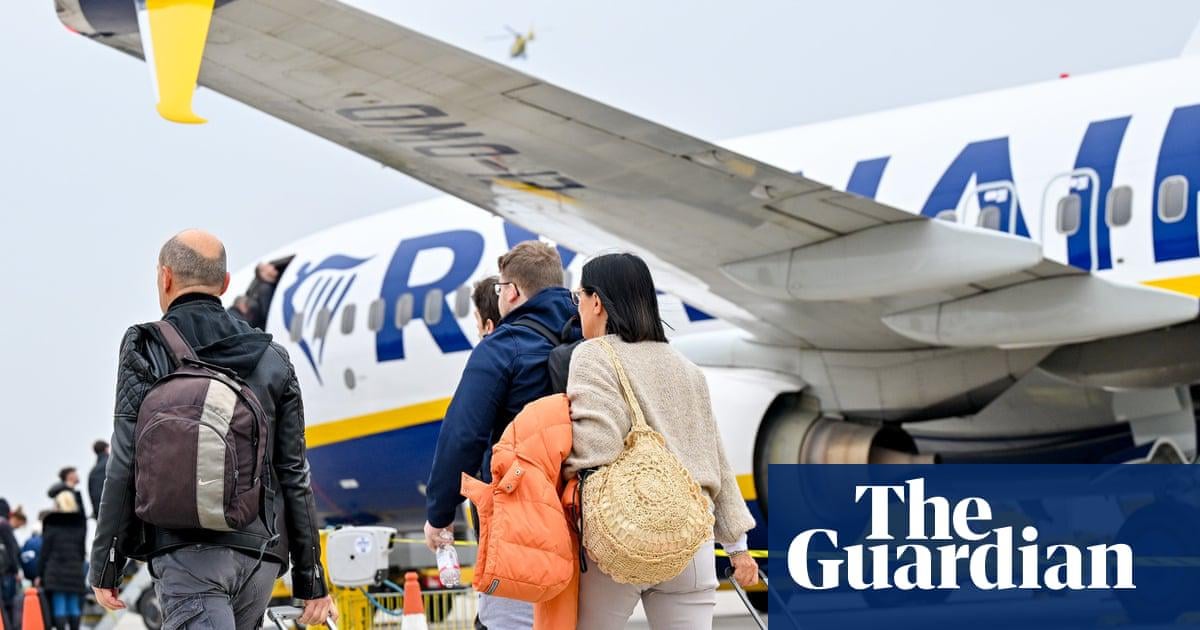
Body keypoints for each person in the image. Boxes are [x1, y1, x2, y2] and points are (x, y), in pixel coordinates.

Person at [90, 229, 337, 629]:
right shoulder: (273, 358)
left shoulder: (146, 347)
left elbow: (125, 459)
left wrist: (107, 562)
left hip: (187, 553)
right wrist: (311, 578)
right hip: (259, 556)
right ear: (224, 283)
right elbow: (294, 473)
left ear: (165, 278)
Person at [564, 253, 759, 630]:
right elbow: (716, 460)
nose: (579, 307)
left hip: (624, 536)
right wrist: (737, 547)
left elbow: (598, 448)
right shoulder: (687, 367)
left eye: (579, 297)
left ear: (597, 301)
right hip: (690, 540)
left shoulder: (594, 355)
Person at [424, 241, 578, 629]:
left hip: (521, 525)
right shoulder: (586, 342)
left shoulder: (502, 347)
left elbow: (463, 435)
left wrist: (440, 514)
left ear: (511, 292)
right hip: (583, 518)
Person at [40, 492, 87, 630]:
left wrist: (39, 574)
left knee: (59, 607)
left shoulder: (51, 523)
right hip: (75, 570)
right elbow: (82, 550)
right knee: (74, 607)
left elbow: (44, 553)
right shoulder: (80, 523)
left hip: (56, 572)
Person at [0, 499, 21, 630]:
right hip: (6, 572)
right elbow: (13, 549)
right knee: (8, 605)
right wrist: (16, 569)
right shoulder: (4, 525)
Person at [88, 441, 109, 519]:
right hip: (113, 510)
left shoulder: (93, 471)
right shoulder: (112, 463)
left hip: (101, 512)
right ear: (106, 449)